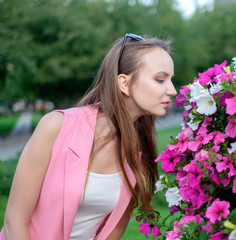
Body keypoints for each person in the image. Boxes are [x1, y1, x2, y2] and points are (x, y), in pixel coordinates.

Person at [1, 33, 177, 240]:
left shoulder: (138, 154)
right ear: (124, 83)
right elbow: (15, 222)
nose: (172, 90)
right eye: (160, 80)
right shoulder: (55, 127)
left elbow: (113, 231)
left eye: (170, 80)